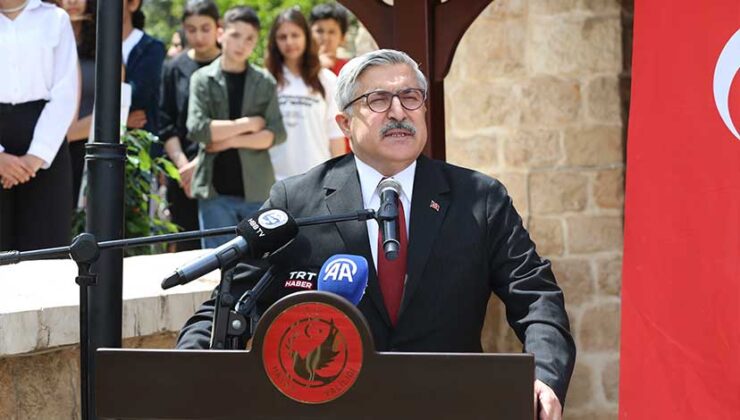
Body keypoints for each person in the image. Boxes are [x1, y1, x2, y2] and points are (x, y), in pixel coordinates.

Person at [178, 49, 575, 420]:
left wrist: (545, 374)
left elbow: (535, 296)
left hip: (450, 405)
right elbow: (232, 304)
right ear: (344, 123)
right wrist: (184, 374)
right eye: (379, 100)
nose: (399, 111)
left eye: (410, 97)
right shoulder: (297, 201)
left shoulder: (480, 199)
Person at [186, 6, 286, 249]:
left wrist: (228, 140)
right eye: (235, 35)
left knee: (260, 260)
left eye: (250, 38)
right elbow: (198, 129)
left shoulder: (264, 81)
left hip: (257, 188)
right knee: (217, 261)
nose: (242, 44)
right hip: (215, 191)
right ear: (221, 34)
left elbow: (275, 134)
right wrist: (247, 124)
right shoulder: (202, 79)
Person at [0, 0, 78, 251]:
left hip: (46, 140)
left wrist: (35, 158)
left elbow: (66, 91)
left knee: (45, 248)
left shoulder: (55, 19)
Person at [159, 0, 220, 251]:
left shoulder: (230, 63)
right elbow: (166, 123)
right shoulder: (173, 68)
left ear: (218, 28)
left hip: (222, 170)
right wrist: (184, 168)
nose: (199, 36)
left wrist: (200, 164)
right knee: (187, 248)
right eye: (191, 30)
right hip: (182, 174)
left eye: (205, 28)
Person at [265, 8, 345, 181]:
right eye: (282, 37)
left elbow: (335, 134)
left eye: (295, 35)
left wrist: (339, 180)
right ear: (274, 41)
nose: (289, 42)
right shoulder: (266, 80)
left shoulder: (326, 80)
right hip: (274, 181)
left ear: (306, 37)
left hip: (318, 179)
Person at [59, 0, 95, 206]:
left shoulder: (104, 44)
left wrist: (66, 134)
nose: (72, 1)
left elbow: (115, 110)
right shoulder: (43, 39)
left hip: (88, 149)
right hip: (40, 147)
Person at [122, 0, 165, 135]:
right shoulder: (87, 47)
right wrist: (123, 119)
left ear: (133, 3)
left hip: (137, 142)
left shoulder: (151, 48)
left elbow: (137, 97)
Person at [309, 2, 350, 76]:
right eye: (319, 31)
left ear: (342, 38)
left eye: (331, 32)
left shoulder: (348, 70)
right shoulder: (300, 66)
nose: (325, 38)